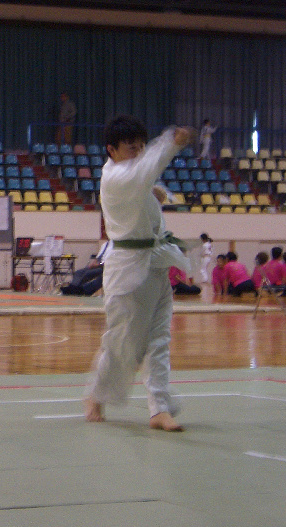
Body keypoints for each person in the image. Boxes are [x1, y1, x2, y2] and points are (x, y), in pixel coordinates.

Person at [83, 115, 195, 432]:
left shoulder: (132, 178)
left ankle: (158, 409)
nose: (138, 151)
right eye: (131, 146)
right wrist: (171, 142)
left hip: (155, 264)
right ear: (112, 150)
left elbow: (142, 186)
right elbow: (143, 173)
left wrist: (154, 197)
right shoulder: (117, 177)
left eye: (142, 145)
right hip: (129, 270)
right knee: (122, 344)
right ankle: (95, 395)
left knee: (159, 339)